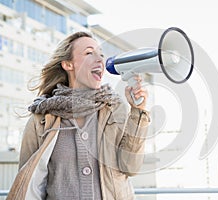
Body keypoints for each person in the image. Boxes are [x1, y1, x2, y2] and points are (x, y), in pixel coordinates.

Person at [7, 31, 150, 200]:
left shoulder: (114, 109)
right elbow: (27, 183)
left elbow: (130, 167)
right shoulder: (41, 120)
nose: (100, 59)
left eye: (101, 55)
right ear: (68, 64)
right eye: (89, 53)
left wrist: (138, 111)